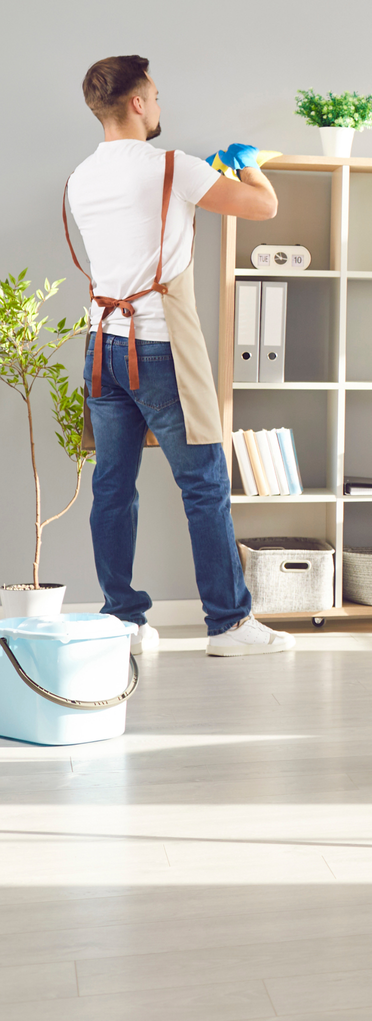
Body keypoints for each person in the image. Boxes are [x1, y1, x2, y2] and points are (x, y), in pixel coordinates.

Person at [63, 55, 296, 657]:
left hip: (101, 348)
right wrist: (249, 169)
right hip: (160, 346)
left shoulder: (81, 177)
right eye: (157, 97)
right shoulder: (173, 166)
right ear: (137, 103)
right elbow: (262, 208)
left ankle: (125, 621)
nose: (160, 107)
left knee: (113, 488)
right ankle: (230, 625)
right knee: (205, 487)